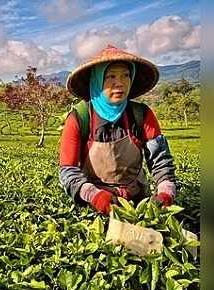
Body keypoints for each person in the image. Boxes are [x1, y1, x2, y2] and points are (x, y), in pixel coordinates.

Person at [59, 45, 176, 215]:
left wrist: (166, 192)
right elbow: (67, 169)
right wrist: (94, 195)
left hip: (138, 201)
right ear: (97, 80)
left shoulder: (141, 115)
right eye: (110, 76)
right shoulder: (80, 117)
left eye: (126, 76)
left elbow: (160, 161)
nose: (119, 83)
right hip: (95, 204)